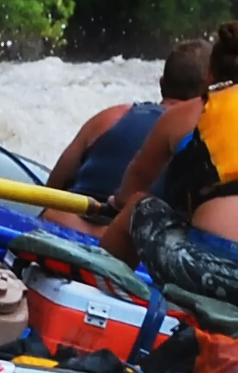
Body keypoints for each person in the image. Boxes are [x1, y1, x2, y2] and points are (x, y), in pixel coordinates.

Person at [114, 20, 238, 312]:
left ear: (209, 75)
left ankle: (92, 292)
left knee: (136, 206)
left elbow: (137, 179)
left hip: (215, 270)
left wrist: (117, 205)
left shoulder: (189, 112)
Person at [43, 39, 209, 233]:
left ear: (162, 83)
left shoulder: (110, 117)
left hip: (61, 223)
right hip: (121, 245)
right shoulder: (200, 138)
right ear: (208, 95)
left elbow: (52, 188)